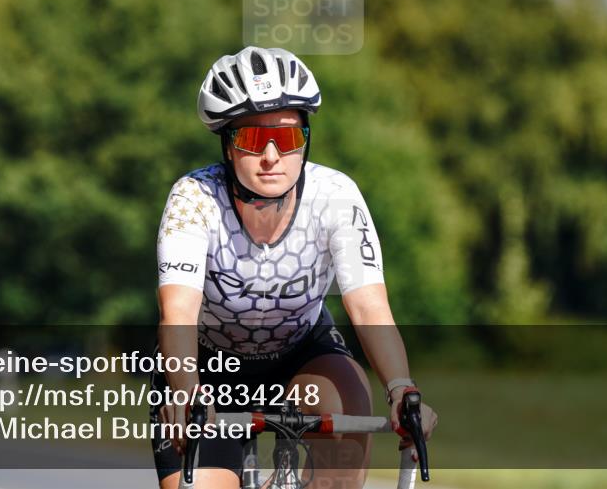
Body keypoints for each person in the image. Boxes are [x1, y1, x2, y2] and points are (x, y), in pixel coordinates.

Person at [151, 46, 437, 488]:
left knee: (348, 416)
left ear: (305, 138)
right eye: (250, 138)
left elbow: (369, 308)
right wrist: (185, 389)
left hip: (302, 351)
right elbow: (178, 312)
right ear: (228, 146)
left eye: (286, 138)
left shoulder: (335, 196)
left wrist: (401, 387)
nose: (270, 156)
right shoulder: (194, 200)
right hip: (207, 367)